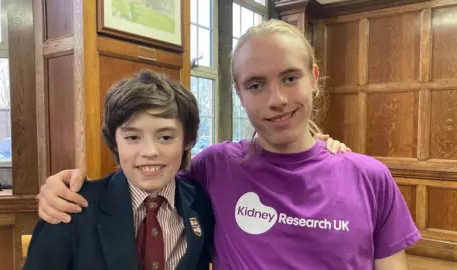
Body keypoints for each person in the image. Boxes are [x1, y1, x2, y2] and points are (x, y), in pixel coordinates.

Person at [36, 19, 420, 270]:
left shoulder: (370, 178)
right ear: (239, 92)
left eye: (290, 78)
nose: (277, 100)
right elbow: (147, 172)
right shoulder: (216, 167)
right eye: (256, 84)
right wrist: (57, 188)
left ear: (314, 78)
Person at [24, 70, 215, 270]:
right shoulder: (72, 207)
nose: (150, 152)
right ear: (114, 142)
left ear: (188, 140)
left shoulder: (200, 203)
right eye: (133, 137)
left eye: (165, 137)